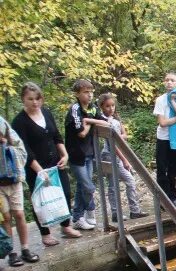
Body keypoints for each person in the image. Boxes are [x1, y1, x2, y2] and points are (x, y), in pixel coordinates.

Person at [12, 82, 82, 245]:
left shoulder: (46, 113)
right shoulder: (19, 122)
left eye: (37, 98)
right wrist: (39, 171)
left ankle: (66, 226)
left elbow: (56, 136)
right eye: (30, 99)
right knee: (41, 200)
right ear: (23, 99)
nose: (34, 102)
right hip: (35, 167)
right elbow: (24, 150)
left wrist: (65, 154)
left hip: (55, 162)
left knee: (64, 193)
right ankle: (45, 234)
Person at [97, 93, 147, 222]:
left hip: (119, 154)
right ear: (102, 107)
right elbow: (112, 144)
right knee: (115, 184)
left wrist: (119, 137)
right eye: (107, 106)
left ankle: (133, 210)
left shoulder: (115, 119)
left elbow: (124, 134)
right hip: (110, 155)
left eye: (112, 105)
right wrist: (124, 160)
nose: (111, 108)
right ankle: (117, 212)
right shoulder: (103, 121)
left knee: (128, 181)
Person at [65, 79, 106, 230]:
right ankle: (89, 210)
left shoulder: (93, 108)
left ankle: (78, 217)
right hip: (77, 155)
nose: (89, 95)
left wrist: (88, 120)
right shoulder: (75, 109)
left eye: (91, 92)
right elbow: (81, 133)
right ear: (77, 94)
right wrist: (90, 122)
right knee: (88, 187)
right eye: (86, 92)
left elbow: (105, 122)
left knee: (83, 186)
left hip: (89, 153)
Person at [0, 116, 38, 266]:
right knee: (6, 217)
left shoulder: (9, 132)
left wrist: (6, 148)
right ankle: (12, 253)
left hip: (14, 180)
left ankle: (25, 248)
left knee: (20, 214)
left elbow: (21, 151)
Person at [153, 71, 176, 208]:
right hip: (163, 138)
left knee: (174, 169)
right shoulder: (160, 100)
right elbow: (162, 123)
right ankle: (164, 199)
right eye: (167, 80)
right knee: (162, 169)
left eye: (172, 80)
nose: (169, 82)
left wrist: (173, 101)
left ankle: (173, 197)